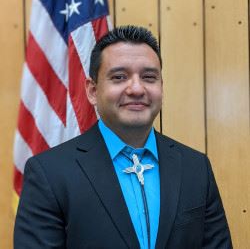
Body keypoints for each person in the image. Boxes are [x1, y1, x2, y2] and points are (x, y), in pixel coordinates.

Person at [14, 25, 232, 249]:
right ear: (92, 90)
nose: (137, 89)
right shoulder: (49, 173)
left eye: (149, 77)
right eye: (119, 77)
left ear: (161, 87)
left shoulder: (196, 168)